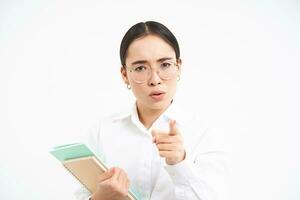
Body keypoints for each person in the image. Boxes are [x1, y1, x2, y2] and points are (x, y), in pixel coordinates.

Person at [75, 21, 227, 200]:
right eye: (140, 68)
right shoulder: (102, 130)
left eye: (165, 65)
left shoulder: (204, 134)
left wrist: (180, 163)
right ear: (125, 75)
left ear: (178, 67)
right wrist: (100, 198)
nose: (155, 79)